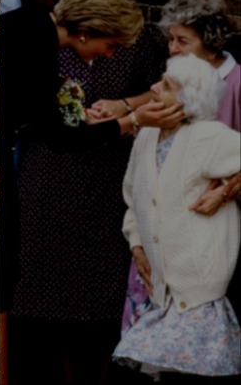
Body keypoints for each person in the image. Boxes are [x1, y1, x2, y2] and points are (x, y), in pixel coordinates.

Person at [0, 0, 184, 385]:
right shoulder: (34, 40)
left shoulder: (33, 27)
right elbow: (61, 138)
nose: (109, 54)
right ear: (89, 31)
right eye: (111, 44)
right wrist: (133, 119)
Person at [112, 53, 241, 382]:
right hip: (160, 291)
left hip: (199, 289)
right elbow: (132, 197)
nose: (154, 88)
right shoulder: (148, 135)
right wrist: (137, 244)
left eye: (166, 86)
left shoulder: (207, 137)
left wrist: (224, 191)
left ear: (187, 100)